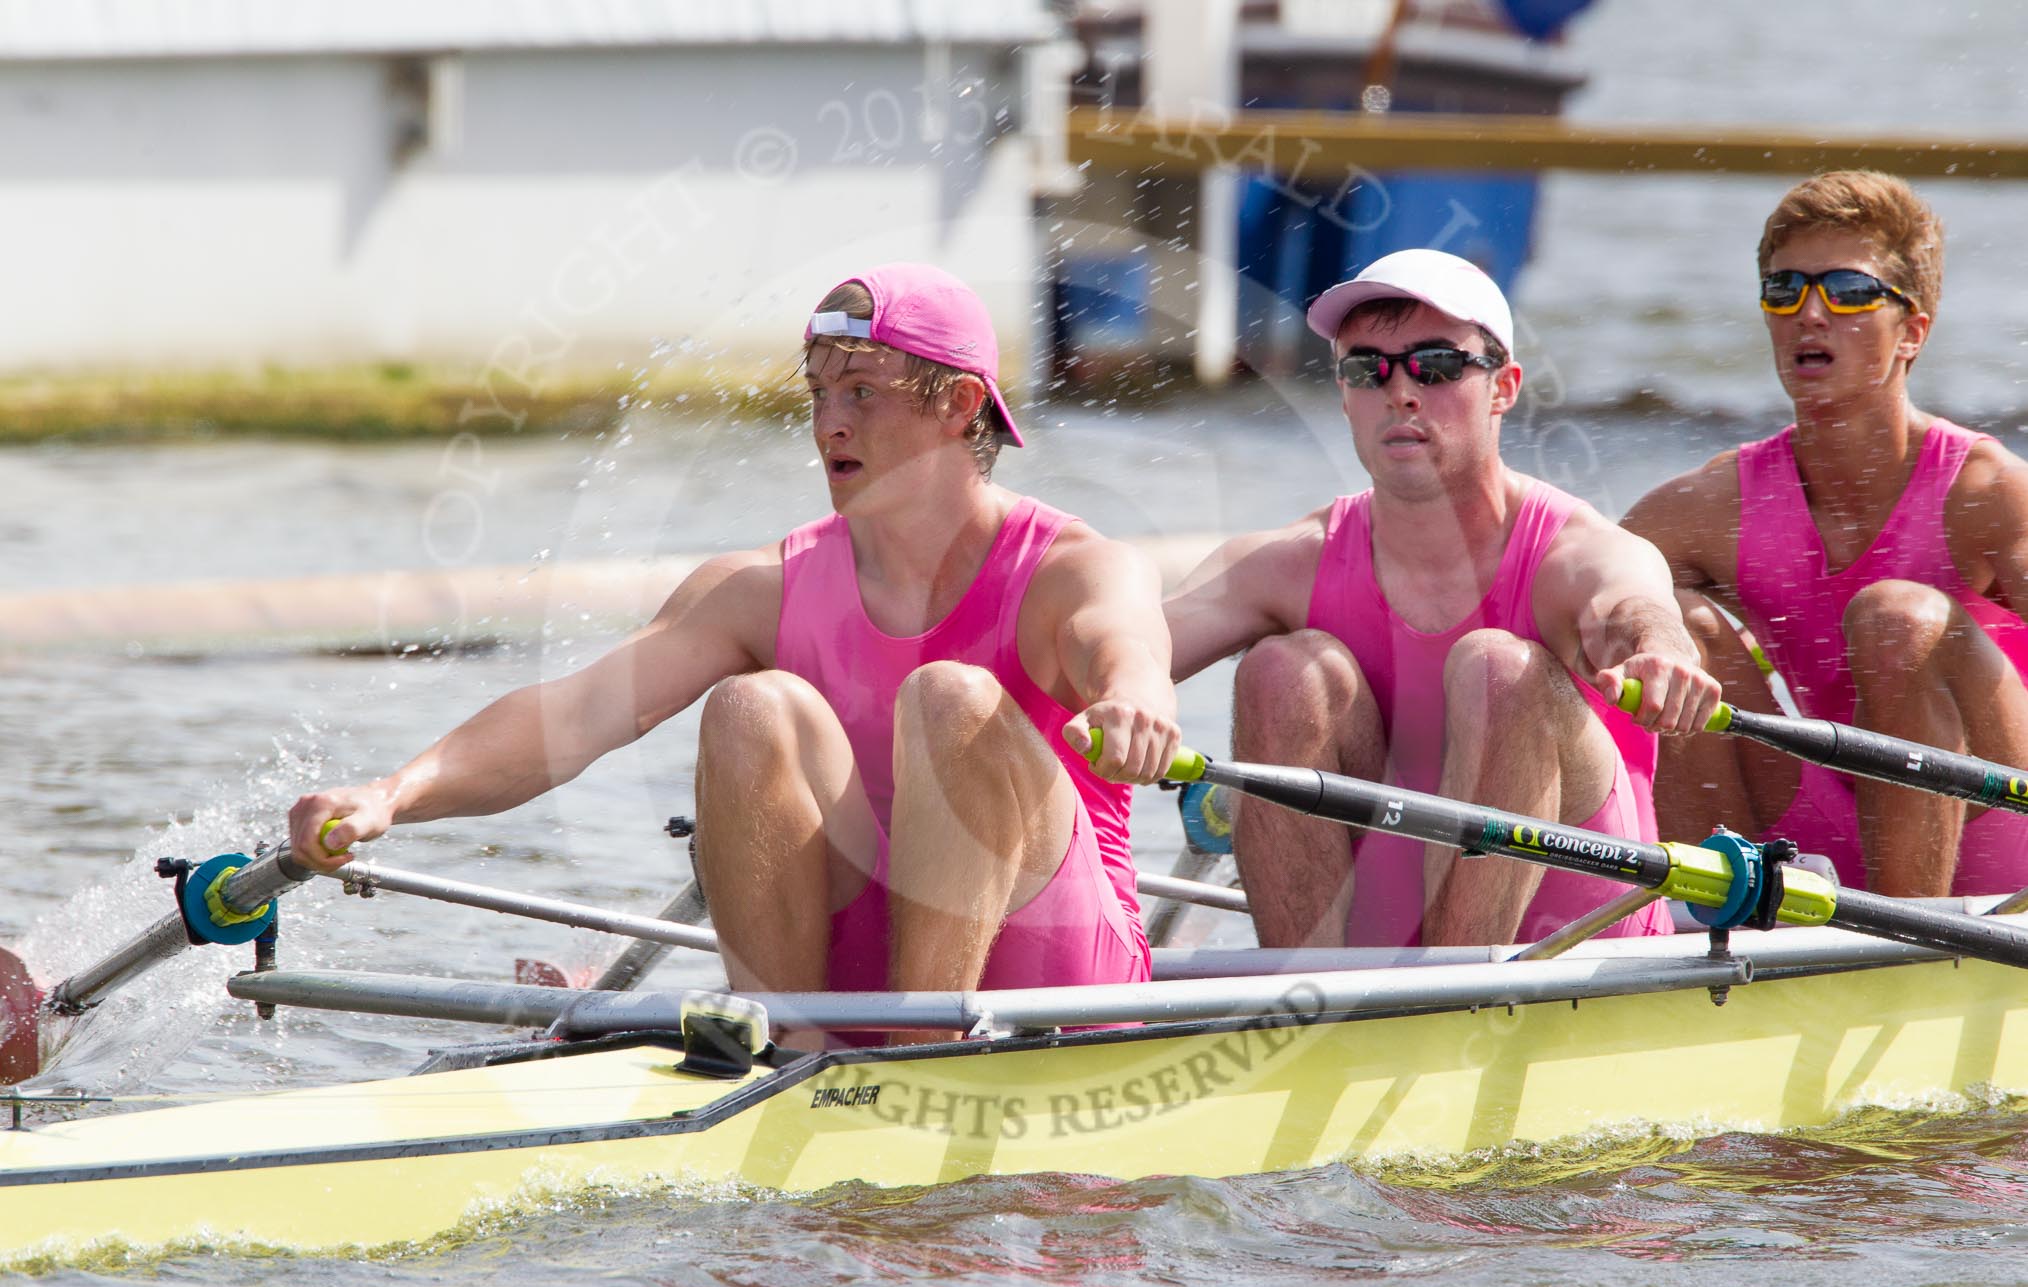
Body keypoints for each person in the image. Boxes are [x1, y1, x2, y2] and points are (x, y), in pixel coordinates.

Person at [288, 263, 1180, 1035]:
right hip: (858, 972)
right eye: (820, 394)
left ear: (960, 405)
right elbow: (575, 714)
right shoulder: (759, 589)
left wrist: (1138, 701)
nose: (830, 424)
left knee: (950, 696)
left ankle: (915, 1062)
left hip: (1060, 976)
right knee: (751, 707)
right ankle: (797, 1049)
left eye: (862, 393)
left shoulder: (1073, 569)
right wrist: (390, 796)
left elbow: (1128, 646)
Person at [1166, 249, 1717, 948]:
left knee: (1497, 668)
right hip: (1375, 936)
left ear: (1504, 387)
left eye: (1438, 364)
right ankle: (1305, 1003)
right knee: (1284, 671)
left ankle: (1448, 1007)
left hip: (1573, 934)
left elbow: (1635, 601)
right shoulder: (1286, 562)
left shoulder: (1569, 549)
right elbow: (1117, 653)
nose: (1400, 391)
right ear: (1344, 396)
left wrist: (1661, 653)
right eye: (1368, 369)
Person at [1622, 171, 2028, 897]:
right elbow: (1560, 577)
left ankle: (1905, 960)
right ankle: (1717, 925)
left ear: (1912, 331)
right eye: (1785, 292)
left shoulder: (1987, 491)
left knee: (1896, 618)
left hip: (1994, 824)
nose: (1810, 315)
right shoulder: (1720, 502)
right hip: (1820, 822)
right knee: (1665, 621)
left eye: (1846, 290)